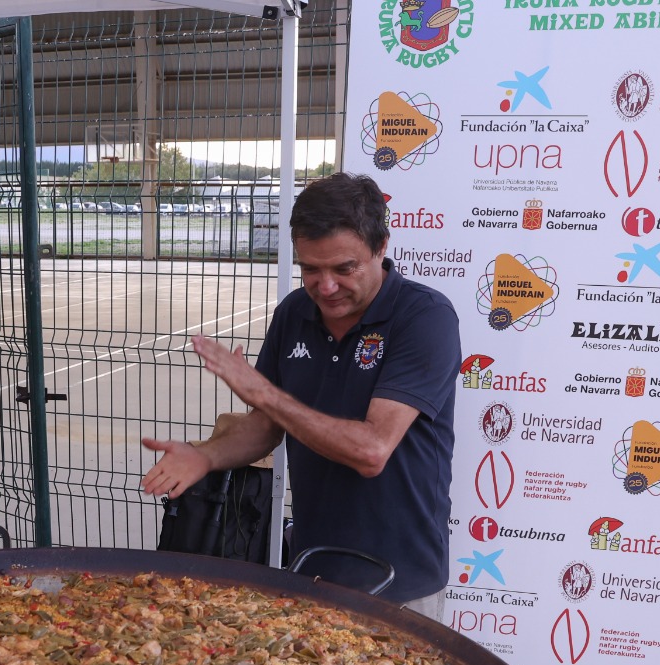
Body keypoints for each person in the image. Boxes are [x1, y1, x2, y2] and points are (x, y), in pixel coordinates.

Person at [140, 172, 458, 618]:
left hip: (400, 581)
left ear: (381, 246)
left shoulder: (424, 317)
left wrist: (265, 393)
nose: (325, 286)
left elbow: (371, 450)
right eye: (310, 268)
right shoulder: (294, 311)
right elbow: (266, 427)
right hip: (313, 570)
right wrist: (205, 456)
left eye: (344, 268)